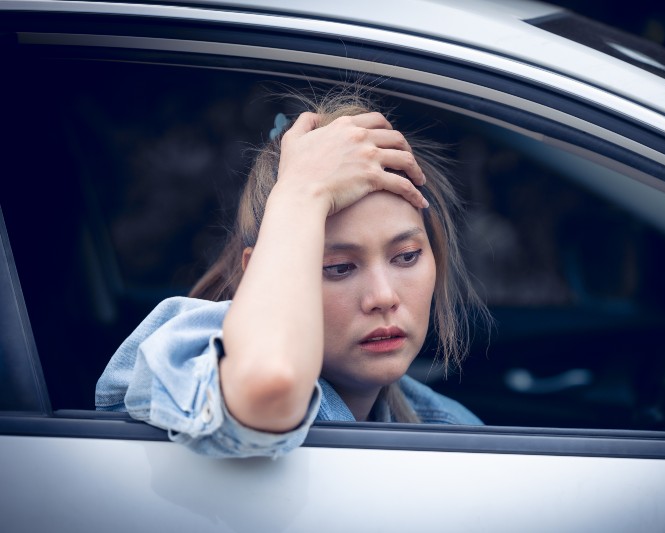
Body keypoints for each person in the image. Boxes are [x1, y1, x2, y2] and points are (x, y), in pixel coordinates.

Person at [96, 91, 490, 458]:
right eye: (338, 267)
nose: (383, 296)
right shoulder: (199, 352)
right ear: (262, 274)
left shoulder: (448, 425)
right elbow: (270, 382)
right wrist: (302, 192)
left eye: (406, 257)